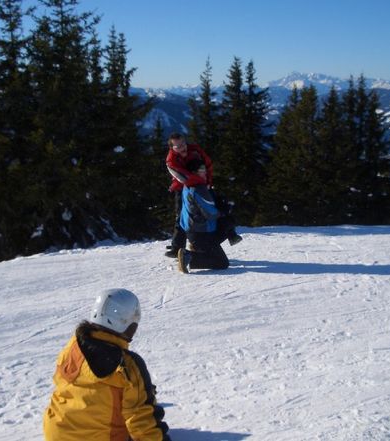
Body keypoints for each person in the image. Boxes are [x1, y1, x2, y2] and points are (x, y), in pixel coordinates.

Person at [43, 288, 172, 441]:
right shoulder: (128, 366)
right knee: (137, 398)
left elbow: (63, 381)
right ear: (130, 325)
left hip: (56, 433)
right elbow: (141, 419)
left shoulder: (74, 345)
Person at [177, 159, 242, 274]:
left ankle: (198, 248)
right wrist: (223, 211)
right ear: (194, 172)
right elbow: (211, 213)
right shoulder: (198, 188)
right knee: (221, 263)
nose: (204, 172)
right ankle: (189, 256)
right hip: (201, 232)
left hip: (195, 229)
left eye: (204, 169)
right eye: (201, 170)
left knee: (227, 223)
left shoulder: (188, 184)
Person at [164, 132, 213, 258]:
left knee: (204, 214)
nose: (182, 147)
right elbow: (185, 177)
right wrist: (202, 182)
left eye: (183, 143)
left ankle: (200, 243)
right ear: (172, 148)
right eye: (178, 146)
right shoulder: (171, 160)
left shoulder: (195, 149)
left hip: (201, 186)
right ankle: (177, 248)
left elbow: (208, 164)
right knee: (182, 216)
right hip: (182, 188)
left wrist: (208, 182)